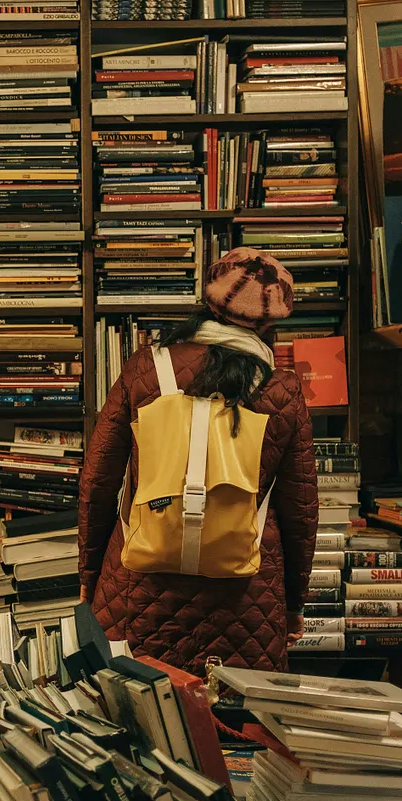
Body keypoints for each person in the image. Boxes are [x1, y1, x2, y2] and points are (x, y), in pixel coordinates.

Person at [77, 247, 318, 675]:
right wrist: (294, 602)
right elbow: (300, 512)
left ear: (206, 301)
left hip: (137, 584)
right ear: (270, 324)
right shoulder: (283, 390)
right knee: (236, 726)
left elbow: (97, 483)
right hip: (247, 594)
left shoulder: (143, 371)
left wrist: (90, 575)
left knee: (136, 718)